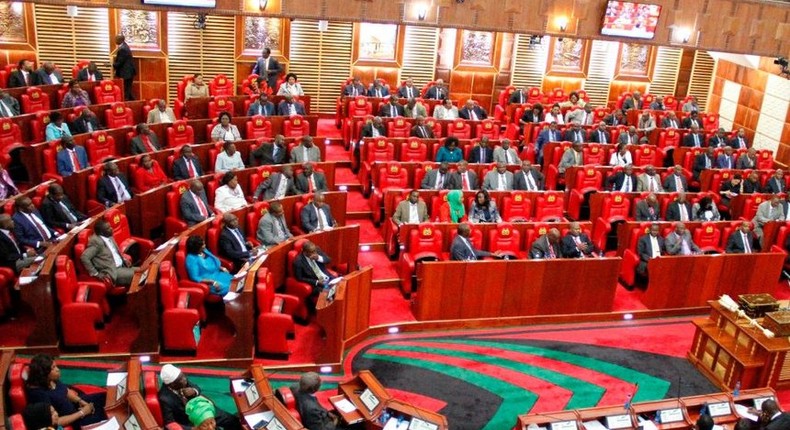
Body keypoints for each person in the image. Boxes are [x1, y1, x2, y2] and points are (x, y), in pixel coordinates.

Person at [25, 354, 107, 428]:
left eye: (56, 366)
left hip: (75, 407)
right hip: (74, 421)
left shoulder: (51, 380)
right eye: (53, 368)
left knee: (105, 397)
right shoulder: (39, 394)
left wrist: (80, 401)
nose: (58, 370)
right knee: (107, 417)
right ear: (44, 373)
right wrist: (82, 413)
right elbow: (55, 422)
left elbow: (65, 390)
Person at [158, 364, 240, 430]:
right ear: (171, 385)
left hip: (204, 409)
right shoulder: (165, 398)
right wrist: (192, 429)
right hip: (190, 421)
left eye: (183, 376)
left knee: (233, 421)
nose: (184, 380)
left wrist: (194, 391)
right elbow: (169, 423)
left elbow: (197, 388)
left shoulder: (182, 380)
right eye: (180, 380)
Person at [81, 219, 138, 286]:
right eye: (108, 228)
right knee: (138, 276)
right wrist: (95, 273)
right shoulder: (96, 242)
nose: (112, 229)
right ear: (102, 232)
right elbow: (84, 257)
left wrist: (124, 260)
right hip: (114, 271)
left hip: (123, 266)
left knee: (145, 271)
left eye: (110, 226)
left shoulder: (109, 236)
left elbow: (115, 253)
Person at [113, 35, 136, 100]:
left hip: (126, 73)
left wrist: (112, 65)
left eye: (116, 39)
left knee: (126, 90)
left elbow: (120, 62)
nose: (115, 40)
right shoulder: (125, 46)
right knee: (128, 89)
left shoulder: (122, 49)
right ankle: (133, 101)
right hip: (129, 72)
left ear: (120, 40)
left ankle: (127, 102)